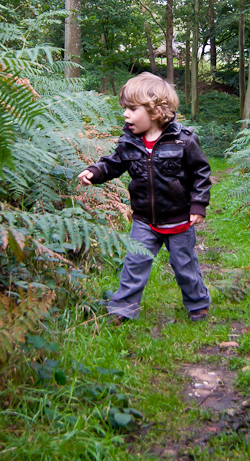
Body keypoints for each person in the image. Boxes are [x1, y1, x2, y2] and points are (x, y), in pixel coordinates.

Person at [78, 72, 211, 323]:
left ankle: (197, 304)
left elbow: (201, 173)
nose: (125, 114)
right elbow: (114, 163)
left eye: (131, 108)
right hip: (144, 220)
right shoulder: (130, 141)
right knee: (134, 263)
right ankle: (123, 310)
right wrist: (95, 172)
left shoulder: (183, 140)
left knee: (184, 266)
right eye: (124, 108)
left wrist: (198, 204)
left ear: (155, 110)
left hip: (179, 219)